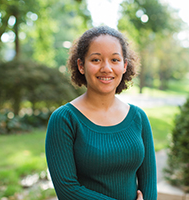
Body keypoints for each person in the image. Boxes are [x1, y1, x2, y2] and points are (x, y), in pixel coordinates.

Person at [45, 26, 157, 200]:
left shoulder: (138, 117)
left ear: (124, 66)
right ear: (81, 66)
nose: (106, 68)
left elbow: (148, 181)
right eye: (96, 60)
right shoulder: (64, 119)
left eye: (114, 60)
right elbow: (68, 190)